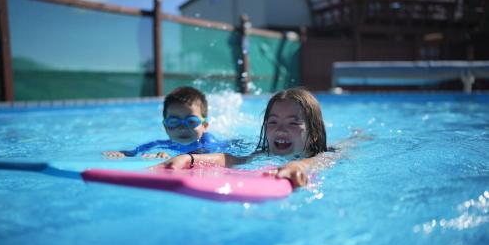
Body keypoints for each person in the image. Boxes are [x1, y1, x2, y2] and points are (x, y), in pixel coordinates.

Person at [151, 87, 330, 188]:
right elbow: (230, 159)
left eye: (293, 123)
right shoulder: (263, 155)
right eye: (273, 122)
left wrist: (295, 166)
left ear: (313, 134)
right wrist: (189, 158)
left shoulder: (324, 156)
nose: (280, 130)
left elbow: (312, 163)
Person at [103, 86, 220, 159]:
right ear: (166, 127)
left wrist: (172, 156)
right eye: (174, 122)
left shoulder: (208, 141)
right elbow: (137, 151)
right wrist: (124, 154)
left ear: (204, 126)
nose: (182, 127)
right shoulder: (164, 144)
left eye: (191, 121)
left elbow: (206, 156)